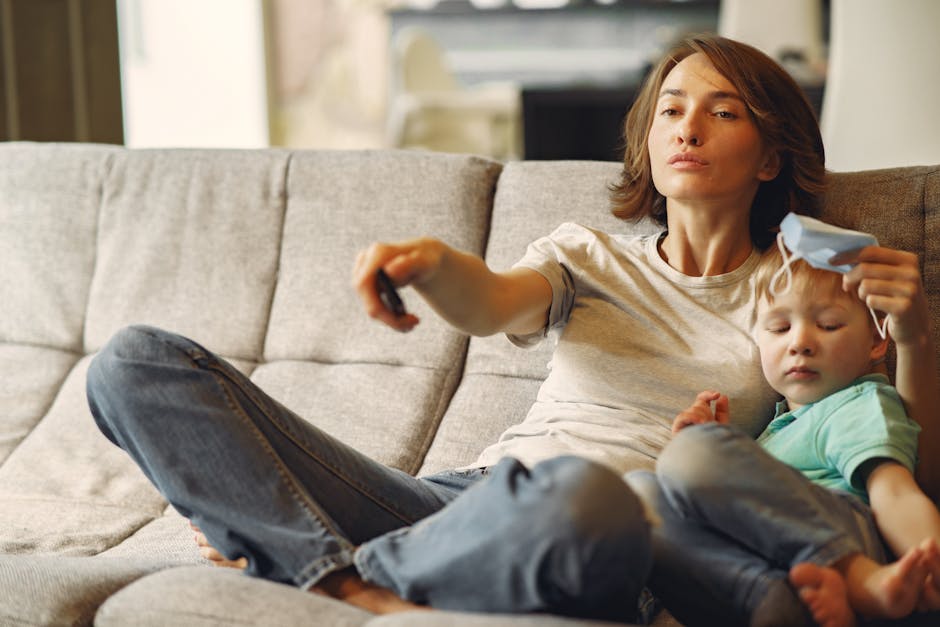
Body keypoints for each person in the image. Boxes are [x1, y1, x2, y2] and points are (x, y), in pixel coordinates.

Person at [85, 34, 939, 621]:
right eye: (672, 107)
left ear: (771, 153)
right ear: (646, 139)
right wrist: (432, 263)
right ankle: (347, 584)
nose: (687, 125)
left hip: (602, 528)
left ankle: (291, 557)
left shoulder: (803, 291)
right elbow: (494, 301)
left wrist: (914, 337)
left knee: (588, 492)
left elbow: (881, 446)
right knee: (135, 363)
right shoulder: (591, 253)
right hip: (455, 499)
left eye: (724, 110)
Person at [628, 245, 940, 627]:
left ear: (877, 341)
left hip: (855, 538)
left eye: (828, 325)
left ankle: (855, 577)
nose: (800, 342)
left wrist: (927, 559)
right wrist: (723, 455)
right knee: (637, 495)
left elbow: (896, 492)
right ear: (758, 339)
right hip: (777, 573)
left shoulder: (859, 404)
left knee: (688, 455)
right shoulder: (776, 428)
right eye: (779, 328)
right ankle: (779, 600)